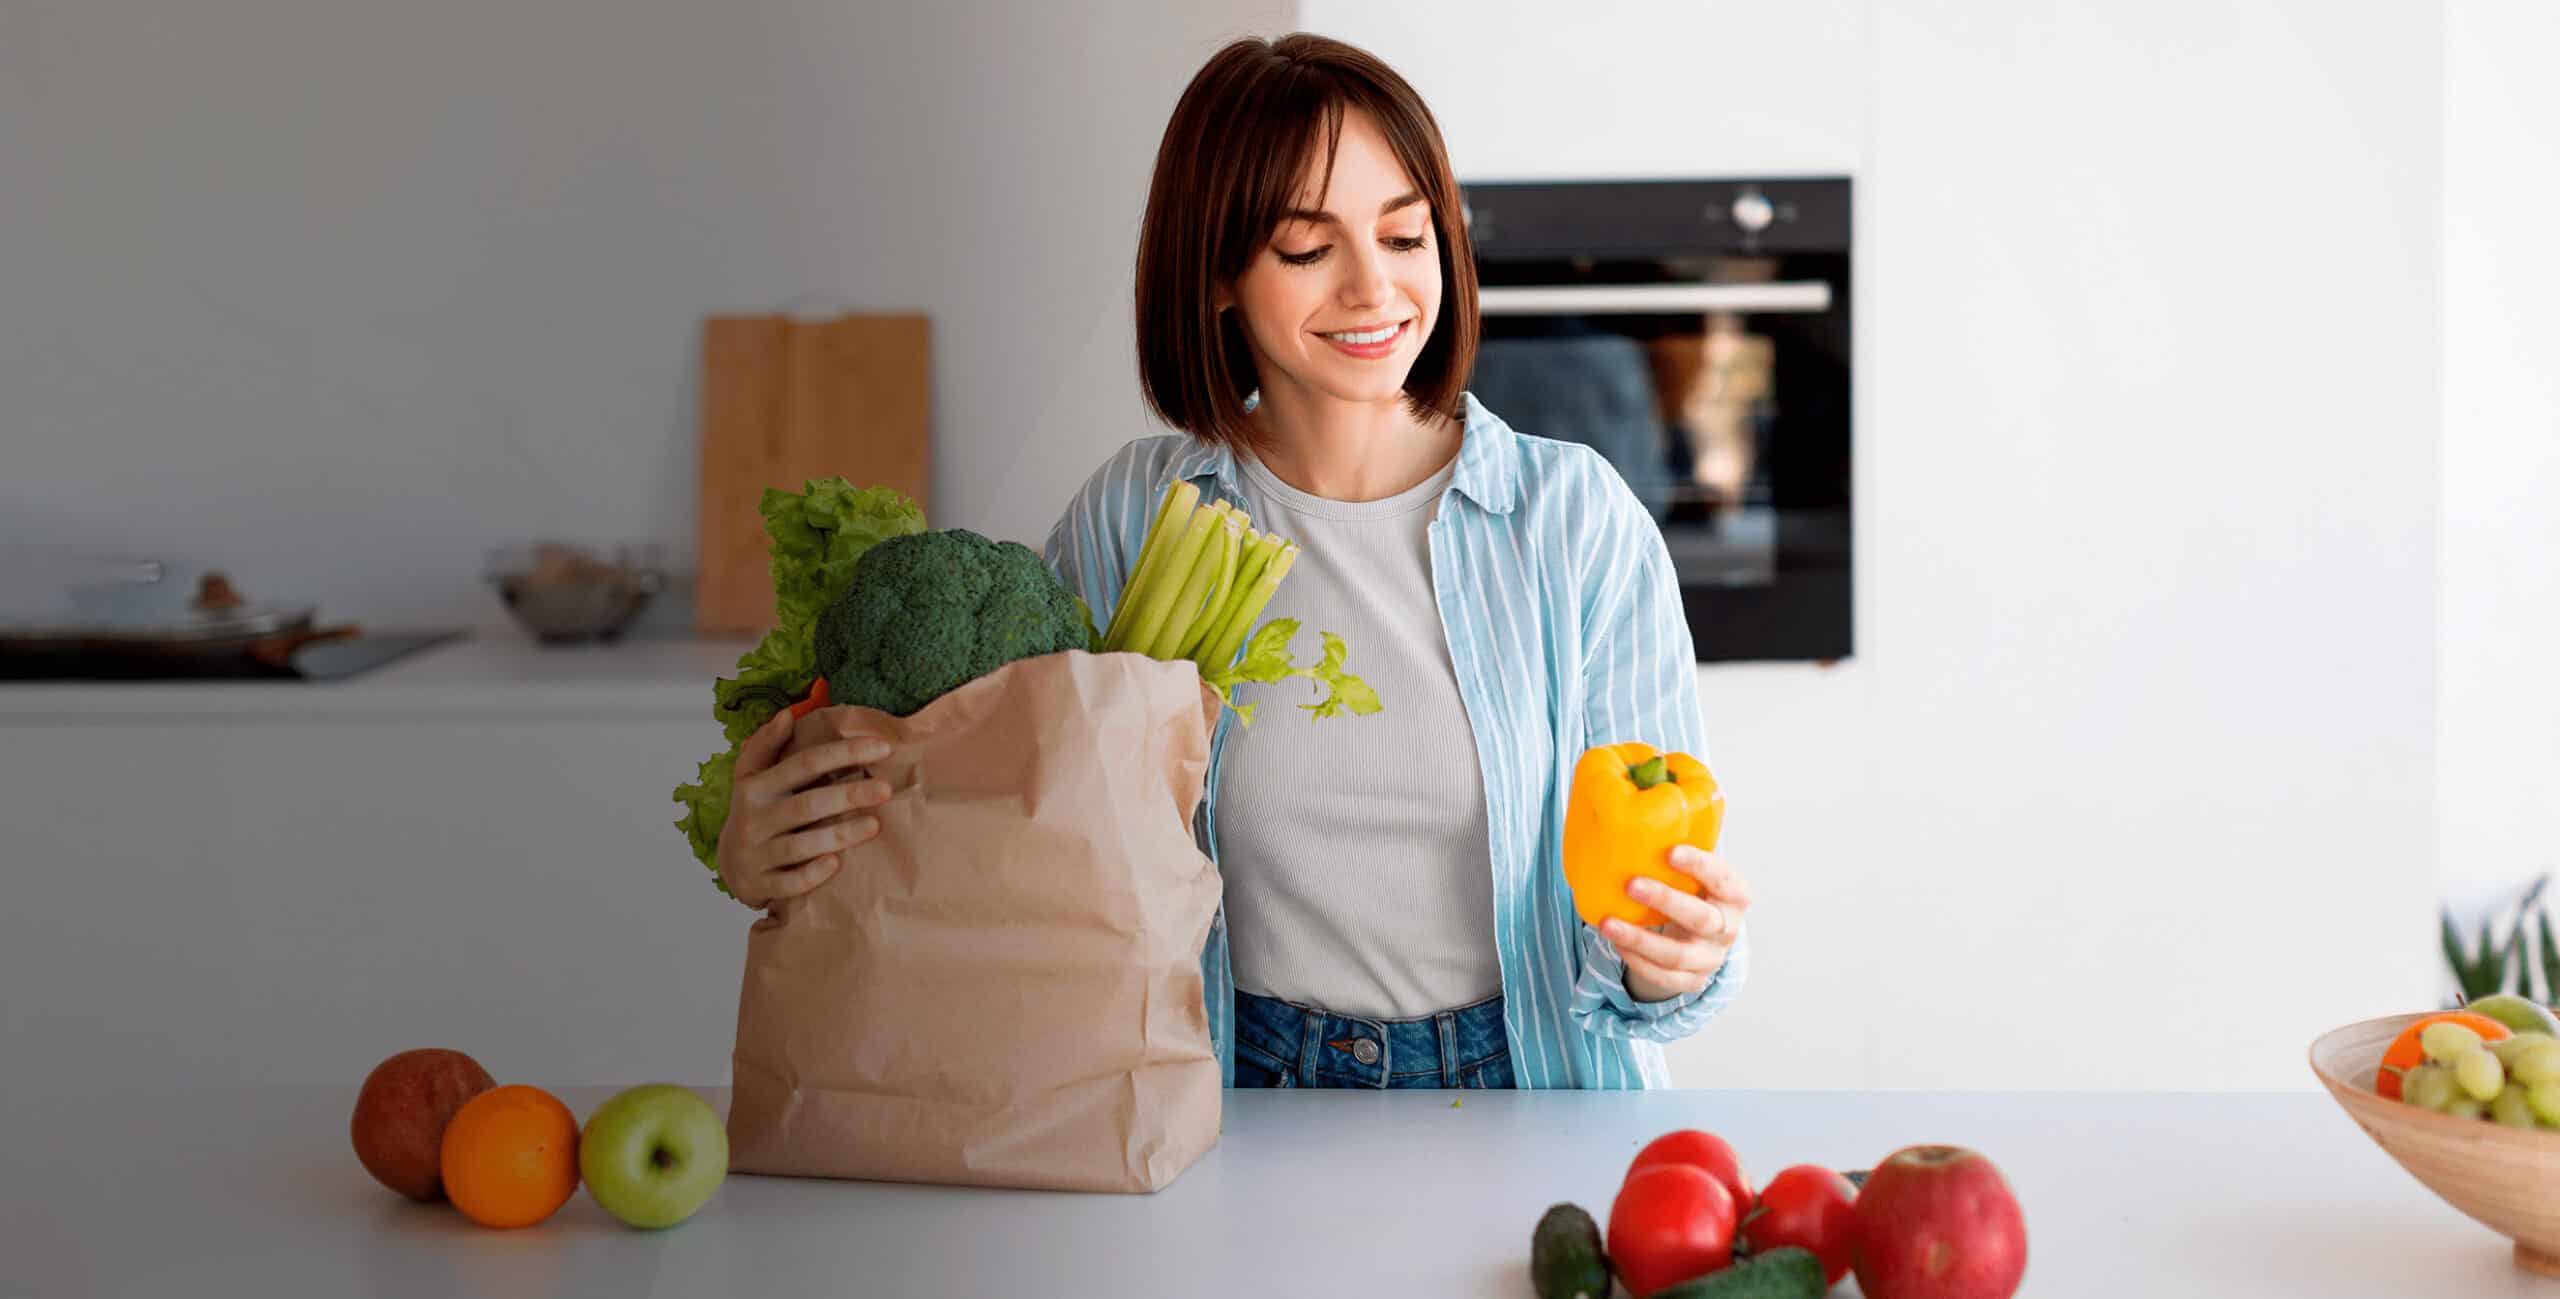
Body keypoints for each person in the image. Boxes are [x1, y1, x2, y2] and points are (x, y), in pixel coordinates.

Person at [717, 32, 1752, 1090]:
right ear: (1216, 273)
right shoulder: (1138, 514)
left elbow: (1658, 916)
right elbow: (998, 841)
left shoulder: (1574, 520)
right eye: (1309, 250)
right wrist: (778, 856)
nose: (1373, 289)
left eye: (1405, 236)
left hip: (1526, 1084)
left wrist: (1676, 963)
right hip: (1226, 1087)